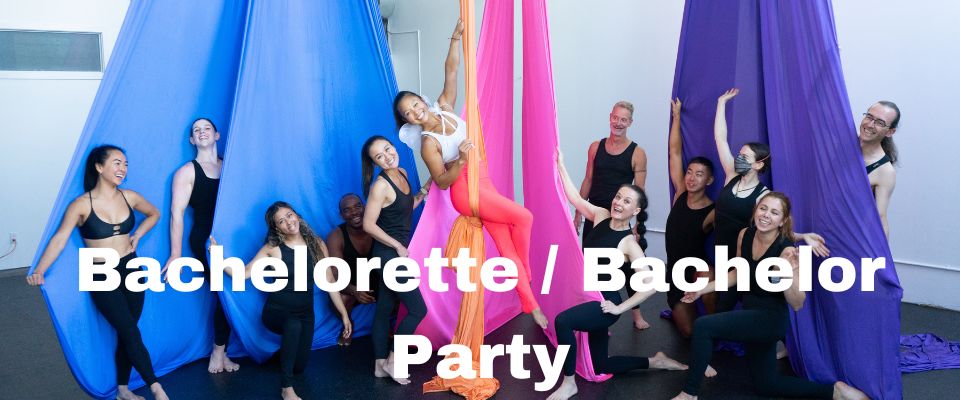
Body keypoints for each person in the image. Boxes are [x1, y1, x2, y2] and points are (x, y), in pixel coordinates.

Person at [393, 19, 549, 330]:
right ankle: (528, 273)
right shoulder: (428, 143)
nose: (415, 111)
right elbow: (441, 182)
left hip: (484, 177)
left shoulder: (445, 107)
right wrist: (462, 160)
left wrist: (454, 39)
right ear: (408, 120)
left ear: (422, 101)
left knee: (507, 247)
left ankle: (529, 303)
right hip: (465, 189)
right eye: (408, 113)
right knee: (524, 218)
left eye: (414, 104)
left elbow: (451, 71)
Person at [670, 193, 868, 400]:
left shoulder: (787, 251)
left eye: (774, 212)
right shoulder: (745, 234)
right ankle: (834, 391)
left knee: (703, 325)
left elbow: (798, 303)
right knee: (767, 385)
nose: (766, 215)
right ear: (755, 211)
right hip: (751, 313)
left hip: (770, 318)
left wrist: (787, 273)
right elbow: (738, 273)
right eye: (763, 208)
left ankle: (689, 393)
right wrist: (702, 289)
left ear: (782, 221)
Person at [27, 145, 170, 400]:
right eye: (117, 163)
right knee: (129, 330)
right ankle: (156, 388)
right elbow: (60, 238)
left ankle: (123, 390)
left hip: (131, 267)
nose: (122, 169)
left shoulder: (130, 196)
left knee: (129, 330)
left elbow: (154, 213)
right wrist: (40, 270)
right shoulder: (81, 205)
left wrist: (138, 234)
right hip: (101, 271)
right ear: (99, 167)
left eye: (125, 164)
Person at [547, 150, 687, 400]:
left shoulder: (629, 244)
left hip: (603, 304)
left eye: (626, 202)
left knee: (563, 322)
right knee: (601, 365)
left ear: (635, 211)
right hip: (587, 295)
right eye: (618, 197)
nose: (619, 203)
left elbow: (652, 285)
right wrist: (560, 164)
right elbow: (575, 198)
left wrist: (620, 308)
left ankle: (569, 384)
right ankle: (655, 361)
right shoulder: (600, 215)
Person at [218, 201, 351, 400]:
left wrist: (344, 315)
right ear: (276, 228)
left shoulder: (316, 244)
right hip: (276, 312)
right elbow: (244, 274)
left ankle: (278, 358)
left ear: (296, 215)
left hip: (306, 314)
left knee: (299, 367)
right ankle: (286, 388)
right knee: (293, 326)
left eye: (289, 215)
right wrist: (218, 258)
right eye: (281, 221)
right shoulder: (273, 248)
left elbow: (330, 281)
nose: (288, 222)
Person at [712, 88, 827, 312]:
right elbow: (720, 138)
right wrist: (721, 103)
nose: (738, 158)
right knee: (722, 302)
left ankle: (774, 340)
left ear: (758, 164)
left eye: (744, 157)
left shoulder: (764, 196)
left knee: (749, 303)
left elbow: (772, 228)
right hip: (721, 248)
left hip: (745, 253)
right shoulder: (731, 175)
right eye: (739, 154)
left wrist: (803, 236)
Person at [162, 117, 238, 373]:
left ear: (217, 135)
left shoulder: (230, 167)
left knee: (234, 292)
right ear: (192, 140)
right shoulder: (186, 172)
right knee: (223, 293)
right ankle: (217, 354)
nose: (202, 132)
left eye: (207, 128)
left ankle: (224, 352)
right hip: (206, 240)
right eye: (197, 130)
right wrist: (175, 254)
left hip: (232, 240)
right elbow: (177, 213)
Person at [574, 100, 651, 330]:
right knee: (593, 267)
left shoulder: (637, 152)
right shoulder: (595, 147)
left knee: (627, 269)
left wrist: (638, 224)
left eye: (624, 119)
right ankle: (598, 315)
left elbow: (639, 192)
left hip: (620, 216)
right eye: (616, 118)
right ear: (610, 117)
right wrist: (579, 212)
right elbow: (588, 179)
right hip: (596, 215)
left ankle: (635, 314)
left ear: (630, 123)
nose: (618, 123)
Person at [361, 136, 429, 385]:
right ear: (375, 162)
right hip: (387, 254)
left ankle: (379, 366)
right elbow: (368, 224)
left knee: (384, 309)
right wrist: (397, 245)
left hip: (393, 252)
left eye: (387, 149)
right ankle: (393, 360)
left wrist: (423, 190)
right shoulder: (380, 185)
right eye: (380, 156)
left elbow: (404, 207)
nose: (387, 156)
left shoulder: (401, 171)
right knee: (417, 309)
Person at [665, 98, 716, 336]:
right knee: (689, 334)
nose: (692, 178)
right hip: (675, 274)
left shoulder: (712, 210)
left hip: (696, 268)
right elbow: (675, 152)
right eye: (689, 172)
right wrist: (677, 117)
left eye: (699, 175)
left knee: (709, 272)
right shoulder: (680, 193)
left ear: (709, 180)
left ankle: (717, 322)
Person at [325, 193, 374, 346]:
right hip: (352, 283)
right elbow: (335, 274)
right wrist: (354, 290)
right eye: (347, 210)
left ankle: (387, 326)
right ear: (342, 215)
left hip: (379, 279)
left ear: (365, 207)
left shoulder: (377, 226)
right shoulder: (336, 236)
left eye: (358, 206)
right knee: (338, 299)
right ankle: (348, 325)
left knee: (403, 291)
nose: (354, 212)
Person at [858, 101, 899, 238]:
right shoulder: (841, 146)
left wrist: (882, 257)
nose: (870, 124)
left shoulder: (885, 171)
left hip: (847, 237)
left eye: (880, 122)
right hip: (814, 229)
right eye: (869, 117)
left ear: (890, 132)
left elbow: (880, 217)